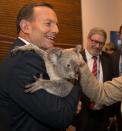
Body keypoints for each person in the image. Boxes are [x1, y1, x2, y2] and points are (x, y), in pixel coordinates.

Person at [0, 2, 81, 131]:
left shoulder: (30, 56)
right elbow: (61, 116)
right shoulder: (24, 61)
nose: (56, 30)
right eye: (48, 23)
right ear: (26, 26)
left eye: (56, 25)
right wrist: (75, 78)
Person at [73, 27, 114, 131]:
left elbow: (111, 85)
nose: (97, 46)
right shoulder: (76, 58)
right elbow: (71, 85)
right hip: (82, 112)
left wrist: (110, 113)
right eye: (94, 41)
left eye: (101, 43)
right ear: (88, 39)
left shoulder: (109, 60)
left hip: (102, 113)